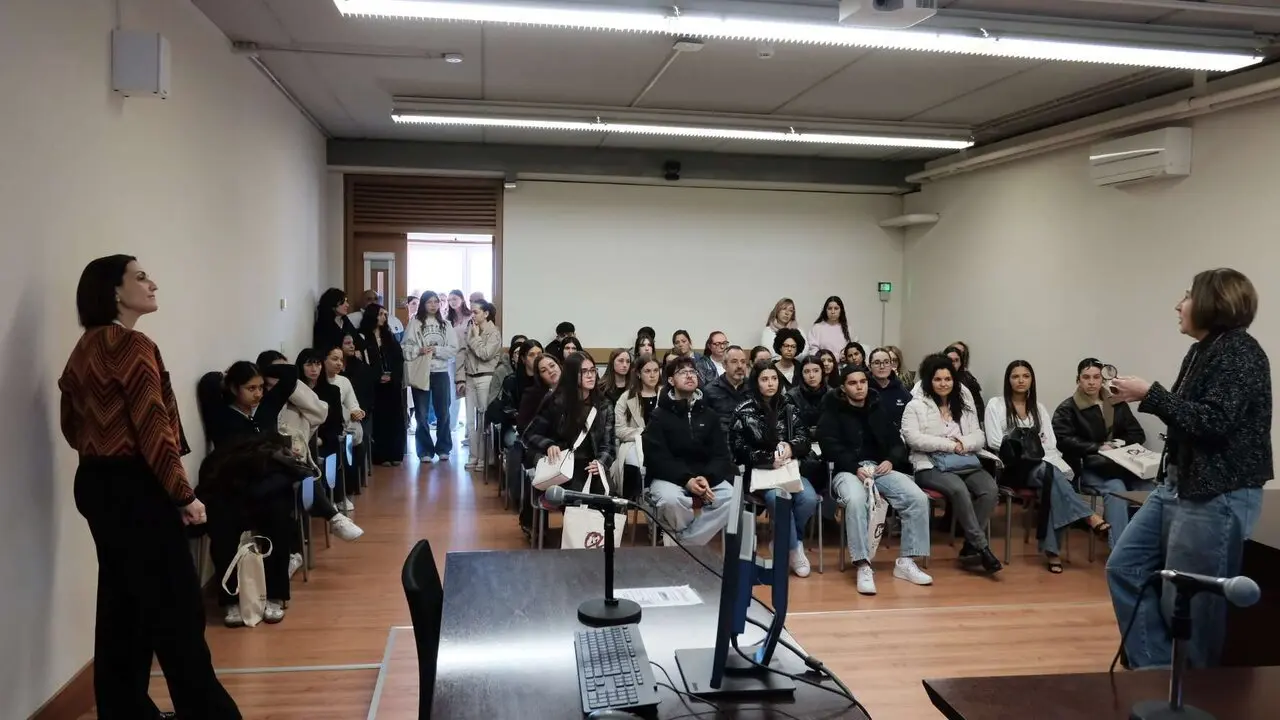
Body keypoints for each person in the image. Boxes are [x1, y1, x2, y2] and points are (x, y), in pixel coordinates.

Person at [59, 254, 240, 719]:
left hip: (96, 484)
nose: (152, 283)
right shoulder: (133, 345)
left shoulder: (84, 348)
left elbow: (70, 426)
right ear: (115, 292)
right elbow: (153, 431)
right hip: (137, 488)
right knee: (178, 613)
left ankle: (123, 710)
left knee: (122, 609)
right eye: (140, 277)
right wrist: (183, 495)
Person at [1107, 268, 1272, 669]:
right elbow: (1190, 419)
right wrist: (1150, 397)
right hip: (1178, 486)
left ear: (1214, 303)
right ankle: (1157, 674)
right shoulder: (1202, 350)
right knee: (1125, 566)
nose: (1178, 305)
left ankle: (1193, 696)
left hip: (1216, 494)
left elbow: (1214, 422)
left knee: (1192, 606)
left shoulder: (1241, 352)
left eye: (1186, 296)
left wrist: (1150, 394)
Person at [984, 361, 1110, 574]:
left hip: (1040, 466)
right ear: (1008, 380)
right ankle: (1086, 517)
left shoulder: (1039, 408)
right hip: (1011, 467)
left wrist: (1024, 442)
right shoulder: (996, 405)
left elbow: (1050, 443)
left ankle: (1053, 551)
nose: (1021, 380)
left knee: (1051, 482)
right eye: (1015, 376)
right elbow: (995, 440)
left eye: (1026, 376)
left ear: (1032, 380)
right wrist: (1029, 444)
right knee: (1050, 475)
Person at [819, 365, 933, 595]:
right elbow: (829, 447)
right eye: (853, 383)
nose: (859, 387)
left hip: (880, 468)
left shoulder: (877, 408)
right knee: (856, 499)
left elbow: (897, 442)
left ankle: (907, 561)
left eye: (862, 382)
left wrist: (891, 460)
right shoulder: (832, 412)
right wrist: (854, 467)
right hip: (847, 470)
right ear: (843, 387)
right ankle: (863, 564)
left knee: (917, 498)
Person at [901, 354, 1002, 574]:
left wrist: (963, 444)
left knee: (990, 490)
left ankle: (970, 543)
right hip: (929, 465)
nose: (944, 383)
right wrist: (950, 445)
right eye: (938, 379)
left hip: (964, 460)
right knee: (958, 489)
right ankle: (982, 547)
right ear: (930, 381)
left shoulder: (963, 404)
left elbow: (979, 435)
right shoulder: (916, 406)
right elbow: (913, 439)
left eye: (948, 379)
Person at [729, 362, 820, 577]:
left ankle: (784, 543)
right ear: (756, 382)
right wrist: (769, 459)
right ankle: (794, 550)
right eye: (764, 379)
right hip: (762, 471)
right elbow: (738, 448)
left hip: (789, 468)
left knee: (808, 499)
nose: (770, 383)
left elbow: (804, 438)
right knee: (779, 500)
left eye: (774, 379)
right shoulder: (744, 410)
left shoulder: (789, 405)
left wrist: (791, 446)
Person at [1052, 357, 1151, 548]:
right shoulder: (1068, 408)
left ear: (1102, 380)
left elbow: (1138, 433)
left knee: (1149, 488)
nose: (1091, 382)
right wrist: (1098, 447)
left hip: (1123, 464)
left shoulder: (1116, 402)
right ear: (1078, 379)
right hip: (1090, 467)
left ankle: (1143, 547)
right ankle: (1120, 550)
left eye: (1096, 377)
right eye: (1086, 377)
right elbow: (1063, 440)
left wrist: (1120, 443)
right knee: (1117, 489)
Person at [643, 355, 736, 546]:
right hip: (670, 478)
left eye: (692, 372)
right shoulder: (659, 416)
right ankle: (690, 546)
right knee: (670, 500)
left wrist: (707, 478)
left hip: (704, 477)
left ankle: (684, 544)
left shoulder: (709, 415)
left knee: (732, 497)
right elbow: (657, 459)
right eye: (682, 372)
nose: (689, 376)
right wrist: (687, 480)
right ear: (670, 380)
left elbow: (721, 455)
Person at [524, 352, 616, 493]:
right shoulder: (555, 401)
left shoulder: (604, 405)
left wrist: (601, 462)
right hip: (563, 465)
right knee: (576, 497)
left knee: (611, 501)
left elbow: (608, 444)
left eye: (592, 370)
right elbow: (529, 435)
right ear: (572, 375)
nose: (590, 375)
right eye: (583, 372)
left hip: (592, 465)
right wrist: (548, 445)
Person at [403, 291, 458, 463]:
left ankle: (443, 448)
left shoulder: (446, 324)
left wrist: (436, 350)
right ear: (423, 304)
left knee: (443, 411)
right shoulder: (415, 323)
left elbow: (453, 349)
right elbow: (405, 347)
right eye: (429, 302)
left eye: (436, 302)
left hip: (441, 372)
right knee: (421, 413)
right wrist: (419, 350)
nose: (433, 305)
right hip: (421, 372)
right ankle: (424, 450)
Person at [358, 303, 407, 466]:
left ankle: (395, 454)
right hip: (375, 385)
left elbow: (398, 358)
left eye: (385, 314)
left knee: (395, 418)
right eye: (380, 314)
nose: (384, 317)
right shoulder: (363, 336)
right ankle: (381, 455)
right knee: (380, 420)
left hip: (391, 383)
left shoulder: (389, 335)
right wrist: (377, 376)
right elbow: (364, 363)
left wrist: (392, 376)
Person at [611, 356, 662, 499]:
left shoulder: (666, 395)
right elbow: (618, 429)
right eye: (647, 371)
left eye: (656, 370)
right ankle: (632, 506)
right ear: (638, 374)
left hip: (662, 443)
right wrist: (643, 433)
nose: (652, 375)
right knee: (633, 460)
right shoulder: (627, 397)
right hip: (634, 443)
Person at [462, 300, 502, 472]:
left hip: (485, 377)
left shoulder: (494, 332)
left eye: (476, 312)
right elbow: (462, 355)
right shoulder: (470, 329)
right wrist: (460, 379)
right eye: (472, 312)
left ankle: (485, 457)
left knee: (484, 420)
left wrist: (476, 337)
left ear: (486, 314)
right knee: (470, 421)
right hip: (469, 377)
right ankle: (473, 455)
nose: (473, 315)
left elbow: (485, 354)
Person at [703, 345, 751, 437]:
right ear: (724, 365)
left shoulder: (753, 388)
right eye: (734, 362)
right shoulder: (710, 390)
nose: (740, 366)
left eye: (743, 362)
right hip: (722, 442)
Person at [867, 347, 912, 428]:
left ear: (891, 365)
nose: (882, 366)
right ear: (870, 367)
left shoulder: (900, 389)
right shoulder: (864, 388)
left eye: (886, 362)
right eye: (877, 363)